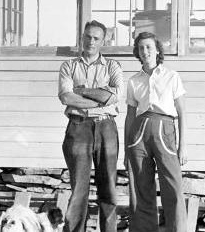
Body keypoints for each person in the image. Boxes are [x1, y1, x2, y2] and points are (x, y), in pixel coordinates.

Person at [58, 20, 124, 232]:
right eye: (87, 37)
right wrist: (100, 98)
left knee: (109, 187)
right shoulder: (69, 65)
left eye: (96, 38)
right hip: (78, 128)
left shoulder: (113, 66)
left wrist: (82, 91)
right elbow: (66, 96)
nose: (91, 41)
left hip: (106, 129)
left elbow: (115, 96)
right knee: (79, 189)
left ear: (103, 41)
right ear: (82, 37)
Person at [125, 31, 187, 232]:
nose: (145, 52)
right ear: (137, 52)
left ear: (157, 49)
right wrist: (127, 148)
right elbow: (130, 116)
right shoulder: (134, 81)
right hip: (139, 133)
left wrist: (182, 147)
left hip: (165, 129)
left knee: (173, 186)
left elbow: (181, 111)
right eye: (141, 48)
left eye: (149, 47)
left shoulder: (171, 76)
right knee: (141, 187)